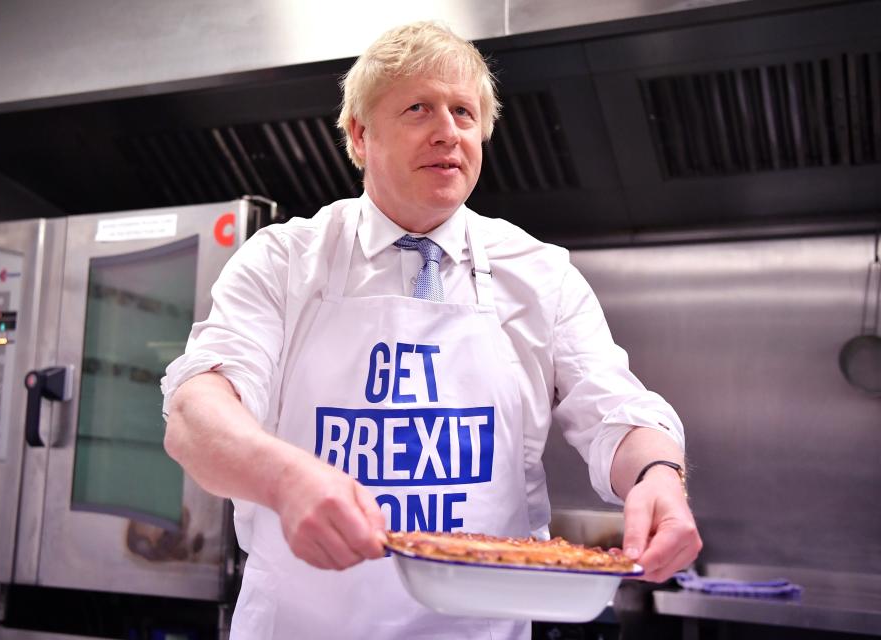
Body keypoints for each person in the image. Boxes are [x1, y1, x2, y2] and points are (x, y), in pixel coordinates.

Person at [161, 21, 701, 640]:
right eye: (419, 108)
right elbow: (197, 414)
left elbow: (616, 410)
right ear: (360, 136)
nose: (448, 130)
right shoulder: (285, 261)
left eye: (464, 113)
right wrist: (283, 477)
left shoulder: (539, 273)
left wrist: (660, 477)